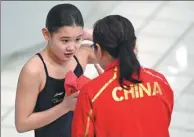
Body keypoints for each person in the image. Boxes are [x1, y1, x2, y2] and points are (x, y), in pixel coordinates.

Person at [72, 15, 174, 137]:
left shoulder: (91, 93)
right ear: (134, 44)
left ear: (98, 50)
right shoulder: (160, 81)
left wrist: (103, 85)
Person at [15, 3, 102, 137]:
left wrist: (93, 35)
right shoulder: (34, 71)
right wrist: (64, 107)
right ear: (46, 34)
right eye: (65, 40)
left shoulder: (82, 54)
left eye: (77, 39)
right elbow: (22, 124)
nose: (72, 48)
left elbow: (129, 51)